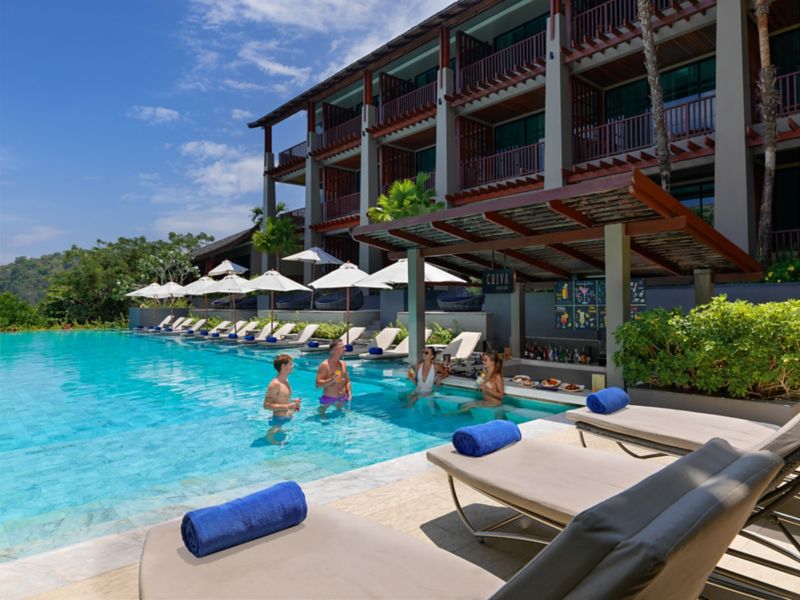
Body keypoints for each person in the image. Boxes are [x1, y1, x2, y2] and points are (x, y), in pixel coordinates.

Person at [263, 354, 300, 445]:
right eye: (290, 364)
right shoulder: (275, 384)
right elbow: (266, 405)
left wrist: (293, 405)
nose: (293, 366)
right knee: (273, 436)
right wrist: (288, 406)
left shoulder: (285, 380)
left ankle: (279, 430)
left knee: (280, 430)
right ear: (283, 366)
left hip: (286, 416)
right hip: (278, 419)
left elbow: (283, 398)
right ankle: (271, 442)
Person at [315, 339, 352, 417]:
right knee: (323, 412)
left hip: (342, 397)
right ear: (334, 350)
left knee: (340, 414)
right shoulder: (325, 365)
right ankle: (321, 411)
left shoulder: (343, 364)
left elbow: (347, 380)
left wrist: (349, 393)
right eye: (342, 347)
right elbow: (318, 384)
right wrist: (332, 379)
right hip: (329, 398)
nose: (345, 349)